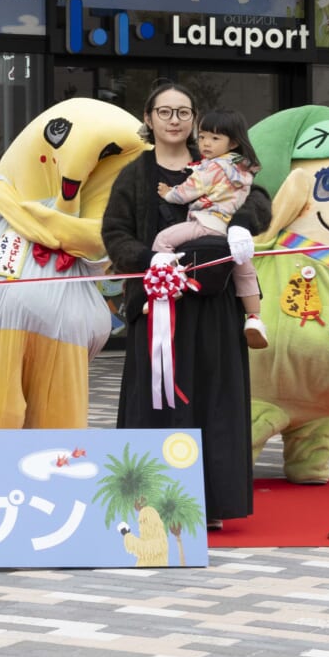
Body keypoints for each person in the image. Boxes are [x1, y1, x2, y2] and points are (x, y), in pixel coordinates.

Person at [103, 82, 270, 526]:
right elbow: (114, 233)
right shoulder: (134, 175)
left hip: (213, 306)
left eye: (183, 112)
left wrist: (241, 227)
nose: (174, 119)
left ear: (195, 120)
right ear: (149, 117)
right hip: (158, 306)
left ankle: (212, 504)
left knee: (214, 399)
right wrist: (151, 260)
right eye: (165, 111)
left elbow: (259, 202)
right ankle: (150, 502)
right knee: (155, 400)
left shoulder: (218, 164)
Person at [152, 107, 268, 349]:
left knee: (163, 241)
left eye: (215, 138)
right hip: (232, 232)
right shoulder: (243, 167)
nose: (205, 143)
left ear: (233, 142)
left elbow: (188, 191)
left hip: (207, 223)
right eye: (202, 135)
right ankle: (255, 318)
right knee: (244, 270)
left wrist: (168, 193)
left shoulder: (211, 167)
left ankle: (170, 289)